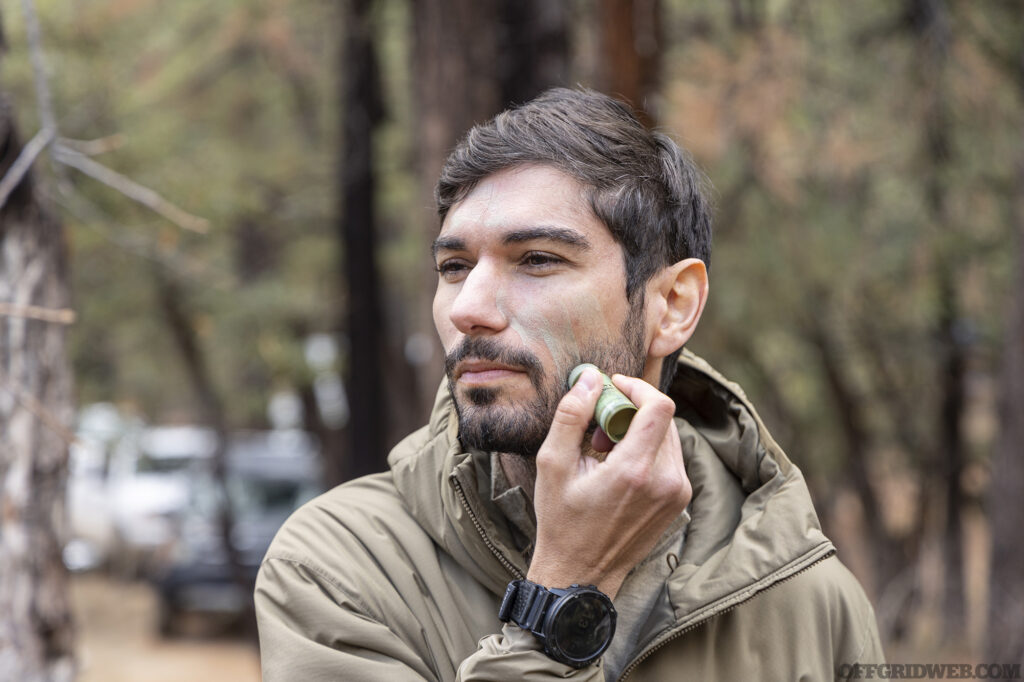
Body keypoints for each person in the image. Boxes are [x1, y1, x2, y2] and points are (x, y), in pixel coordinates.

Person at [255, 87, 883, 681]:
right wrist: (562, 595)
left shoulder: (804, 595)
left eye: (536, 260)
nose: (467, 308)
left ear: (671, 305)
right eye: (454, 266)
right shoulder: (340, 568)